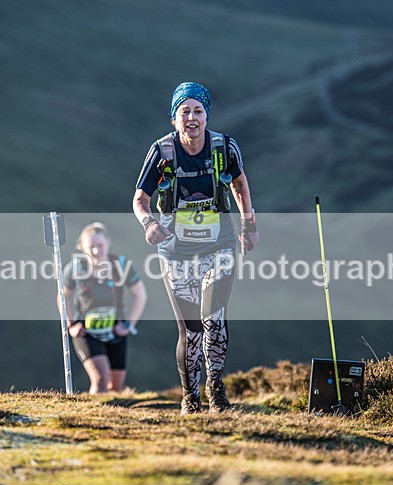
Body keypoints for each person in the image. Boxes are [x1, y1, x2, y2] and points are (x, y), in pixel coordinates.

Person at [132, 82, 259, 414]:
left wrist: (249, 226)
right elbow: (140, 199)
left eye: (198, 111)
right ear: (174, 118)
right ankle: (190, 398)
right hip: (176, 252)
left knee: (213, 319)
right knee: (191, 331)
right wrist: (149, 224)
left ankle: (216, 389)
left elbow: (239, 183)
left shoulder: (224, 147)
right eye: (184, 112)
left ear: (207, 116)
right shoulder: (162, 151)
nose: (192, 118)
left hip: (220, 246)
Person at [60, 222, 147, 394]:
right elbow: (64, 296)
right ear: (82, 247)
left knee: (115, 387)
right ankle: (93, 411)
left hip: (115, 331)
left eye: (99, 245)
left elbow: (140, 296)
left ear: (108, 242)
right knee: (101, 380)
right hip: (87, 332)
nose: (95, 251)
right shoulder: (76, 268)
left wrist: (129, 325)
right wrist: (71, 325)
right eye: (90, 247)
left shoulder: (121, 265)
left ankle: (112, 411)